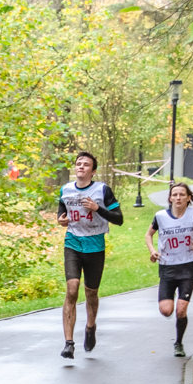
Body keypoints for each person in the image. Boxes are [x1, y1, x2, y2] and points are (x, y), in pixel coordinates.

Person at [57, 151, 123, 358]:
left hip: (95, 246)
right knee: (72, 289)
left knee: (91, 292)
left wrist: (97, 208)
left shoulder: (102, 190)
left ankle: (90, 327)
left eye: (86, 165)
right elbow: (61, 213)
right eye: (78, 164)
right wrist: (61, 220)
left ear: (93, 171)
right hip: (73, 243)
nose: (81, 167)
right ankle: (68, 343)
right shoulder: (66, 190)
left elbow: (118, 219)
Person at [145, 182, 193, 357]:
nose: (178, 198)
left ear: (188, 198)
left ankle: (178, 343)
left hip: (188, 266)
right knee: (166, 310)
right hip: (167, 267)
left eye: (182, 194)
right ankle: (171, 302)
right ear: (170, 198)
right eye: (175, 195)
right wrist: (153, 251)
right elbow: (148, 235)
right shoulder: (160, 216)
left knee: (181, 310)